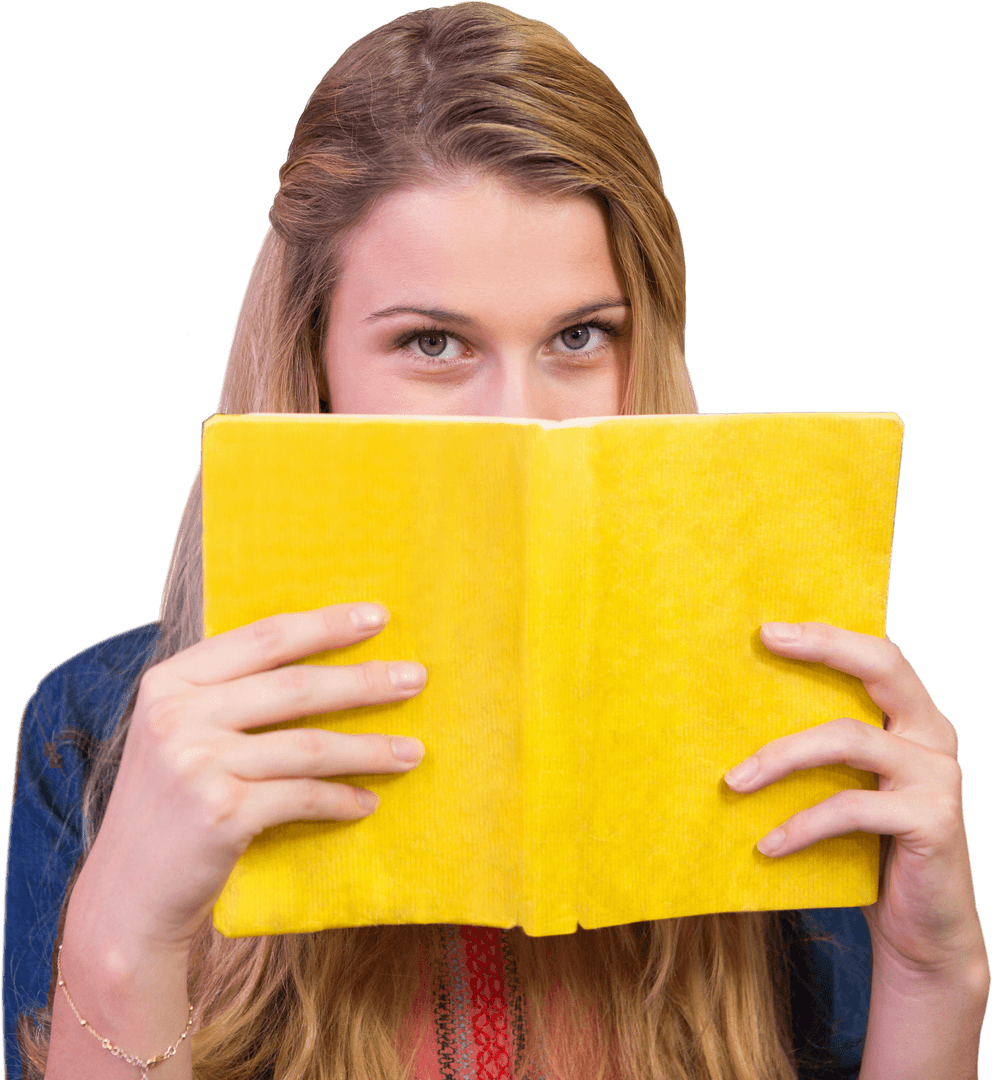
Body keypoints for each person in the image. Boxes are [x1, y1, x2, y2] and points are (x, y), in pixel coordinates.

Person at [4, 3, 988, 1078]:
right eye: (432, 342)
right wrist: (122, 942)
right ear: (312, 361)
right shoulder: (98, 736)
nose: (520, 417)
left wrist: (930, 979)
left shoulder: (787, 724)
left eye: (579, 336)